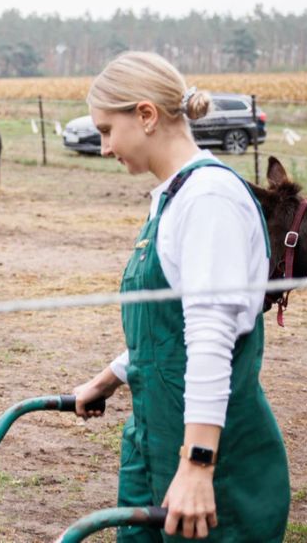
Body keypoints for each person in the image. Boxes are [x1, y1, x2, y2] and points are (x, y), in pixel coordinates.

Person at [72, 52, 289, 541]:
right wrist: (110, 378)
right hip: (158, 441)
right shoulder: (174, 196)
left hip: (215, 463)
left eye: (107, 130)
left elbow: (211, 338)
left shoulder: (209, 201)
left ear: (145, 115)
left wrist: (197, 464)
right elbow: (169, 327)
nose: (104, 147)